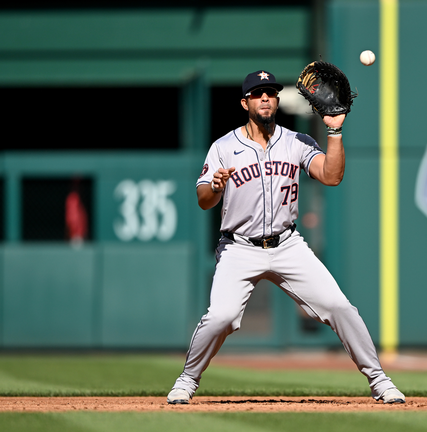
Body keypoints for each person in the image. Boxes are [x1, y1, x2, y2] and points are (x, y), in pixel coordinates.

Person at [166, 70, 405, 405]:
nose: (265, 98)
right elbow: (203, 198)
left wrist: (334, 132)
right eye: (258, 93)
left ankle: (380, 380)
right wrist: (215, 187)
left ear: (278, 100)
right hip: (240, 247)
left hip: (288, 245)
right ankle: (187, 379)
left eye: (271, 92)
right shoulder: (223, 147)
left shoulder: (296, 142)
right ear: (244, 102)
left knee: (338, 306)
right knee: (220, 316)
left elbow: (331, 176)